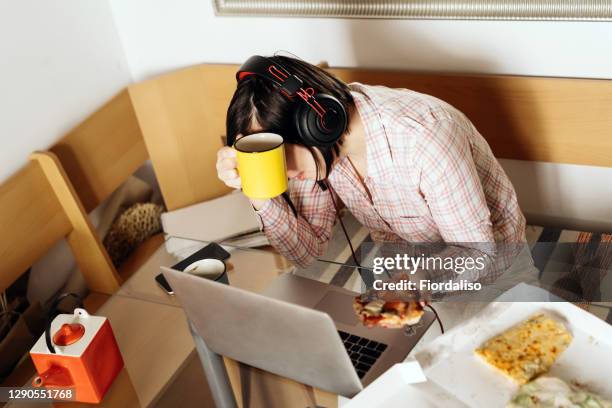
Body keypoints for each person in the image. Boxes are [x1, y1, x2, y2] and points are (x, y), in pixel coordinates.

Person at [216, 55, 527, 294]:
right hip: (408, 274)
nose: (284, 173)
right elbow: (306, 252)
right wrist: (257, 190)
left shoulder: (426, 138)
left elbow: (476, 254)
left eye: (281, 158)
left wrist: (415, 281)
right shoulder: (317, 153)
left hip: (494, 278)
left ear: (320, 122)